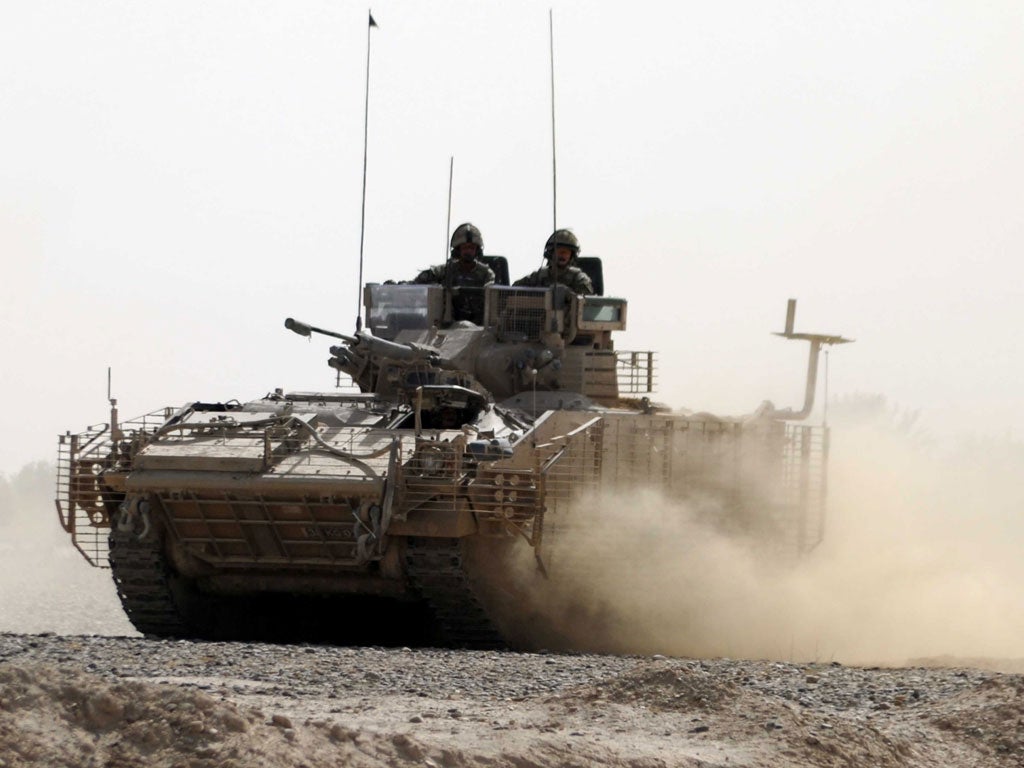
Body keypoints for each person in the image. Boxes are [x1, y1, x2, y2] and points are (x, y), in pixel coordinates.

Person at [411, 223, 495, 323]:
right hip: (448, 322)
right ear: (458, 250)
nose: (468, 251)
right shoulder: (447, 270)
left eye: (471, 248)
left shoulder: (485, 273)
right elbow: (422, 280)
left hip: (478, 323)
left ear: (477, 251)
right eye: (465, 248)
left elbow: (491, 290)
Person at [513, 229, 593, 294]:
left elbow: (587, 300)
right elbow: (514, 288)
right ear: (550, 253)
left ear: (572, 256)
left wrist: (568, 293)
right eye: (559, 251)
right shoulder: (539, 276)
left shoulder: (578, 278)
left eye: (566, 252)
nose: (563, 255)